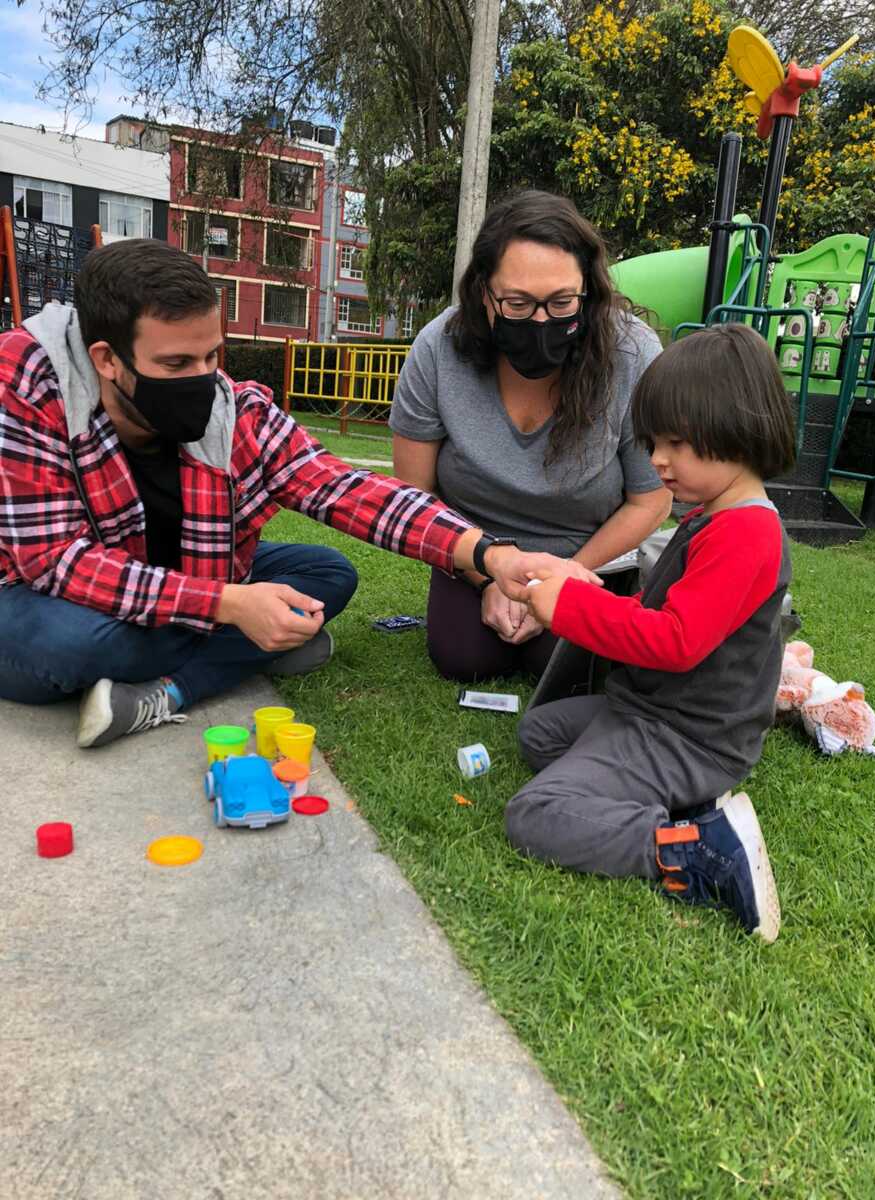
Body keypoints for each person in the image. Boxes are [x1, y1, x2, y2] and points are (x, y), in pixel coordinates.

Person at [0, 239, 586, 749]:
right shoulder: (29, 386)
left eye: (211, 356)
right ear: (107, 360)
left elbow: (346, 488)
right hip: (37, 593)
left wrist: (490, 554)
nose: (204, 379)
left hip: (175, 574)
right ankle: (232, 653)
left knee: (326, 576)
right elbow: (54, 562)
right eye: (176, 362)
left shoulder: (233, 409)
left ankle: (168, 690)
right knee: (71, 644)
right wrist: (228, 607)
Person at [507, 324, 797, 942]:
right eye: (652, 442)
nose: (657, 459)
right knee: (540, 734)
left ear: (735, 430)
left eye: (675, 443)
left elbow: (676, 639)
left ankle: (697, 852)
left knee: (537, 812)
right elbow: (663, 605)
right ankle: (669, 799)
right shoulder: (713, 516)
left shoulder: (747, 533)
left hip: (689, 736)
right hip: (651, 713)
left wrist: (570, 613)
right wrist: (583, 590)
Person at [390, 190, 671, 682]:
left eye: (562, 302)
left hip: (587, 561)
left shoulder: (633, 354)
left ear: (589, 289)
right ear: (483, 293)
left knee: (564, 667)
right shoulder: (438, 349)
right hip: (471, 550)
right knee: (465, 659)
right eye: (518, 303)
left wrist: (562, 580)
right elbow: (416, 497)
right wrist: (488, 574)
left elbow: (650, 501)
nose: (542, 321)